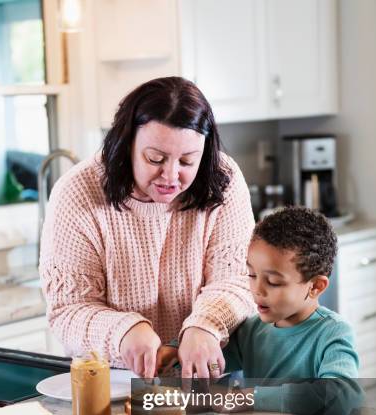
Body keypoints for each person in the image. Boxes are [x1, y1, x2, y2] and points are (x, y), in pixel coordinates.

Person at [39, 77, 255, 378]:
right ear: (126, 143)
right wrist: (125, 331)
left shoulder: (224, 177)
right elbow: (68, 310)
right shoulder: (77, 193)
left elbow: (237, 279)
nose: (170, 175)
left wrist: (206, 324)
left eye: (187, 161)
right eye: (155, 158)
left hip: (207, 375)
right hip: (114, 382)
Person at [220, 207, 363, 415]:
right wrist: (174, 351)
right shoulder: (251, 330)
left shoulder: (333, 333)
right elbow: (208, 358)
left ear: (315, 286)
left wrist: (253, 397)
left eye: (274, 282)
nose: (257, 289)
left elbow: (339, 396)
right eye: (251, 275)